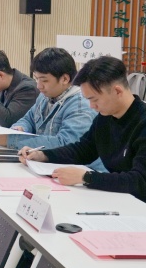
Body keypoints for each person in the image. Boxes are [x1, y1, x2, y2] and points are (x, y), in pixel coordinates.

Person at [22, 57, 146, 201]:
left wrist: (86, 177)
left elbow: (139, 181)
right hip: (120, 198)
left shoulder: (141, 122)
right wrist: (43, 155)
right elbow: (84, 149)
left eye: (94, 99)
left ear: (117, 91)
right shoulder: (105, 116)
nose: (92, 106)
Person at [0, 48, 104, 171]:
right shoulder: (46, 95)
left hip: (79, 171)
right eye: (36, 79)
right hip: (48, 165)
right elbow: (29, 118)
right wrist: (20, 128)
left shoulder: (80, 106)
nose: (38, 86)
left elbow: (66, 144)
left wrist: (12, 140)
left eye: (44, 80)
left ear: (65, 79)